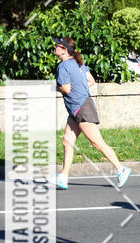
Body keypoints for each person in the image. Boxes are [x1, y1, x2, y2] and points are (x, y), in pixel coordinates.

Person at [52, 37, 132, 190]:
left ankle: (121, 169)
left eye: (57, 45)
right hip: (78, 108)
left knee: (97, 143)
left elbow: (66, 89)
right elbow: (91, 80)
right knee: (67, 142)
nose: (54, 47)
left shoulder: (63, 66)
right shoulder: (78, 63)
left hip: (81, 108)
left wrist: (55, 87)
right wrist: (79, 89)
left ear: (64, 49)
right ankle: (63, 177)